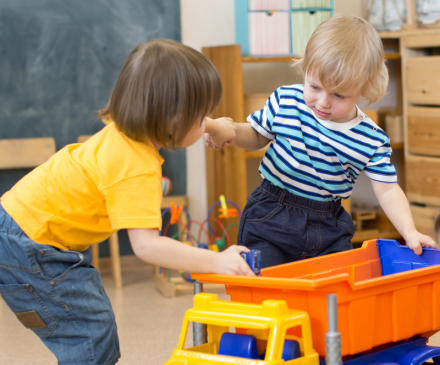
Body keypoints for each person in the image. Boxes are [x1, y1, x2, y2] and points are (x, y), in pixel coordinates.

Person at [0, 39, 254, 365]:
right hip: (31, 247)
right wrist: (216, 261)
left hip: (21, 227)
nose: (207, 120)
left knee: (91, 320)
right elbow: (147, 247)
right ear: (171, 120)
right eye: (202, 115)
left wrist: (217, 127)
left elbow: (110, 177)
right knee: (90, 331)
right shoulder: (137, 168)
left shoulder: (122, 131)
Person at [204, 14, 438, 269]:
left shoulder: (371, 138)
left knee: (333, 296)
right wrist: (232, 132)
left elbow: (388, 189)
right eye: (314, 87)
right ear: (305, 71)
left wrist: (410, 231)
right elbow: (258, 135)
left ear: (364, 88)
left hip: (328, 228)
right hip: (272, 216)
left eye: (338, 94)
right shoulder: (287, 101)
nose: (323, 102)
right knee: (265, 290)